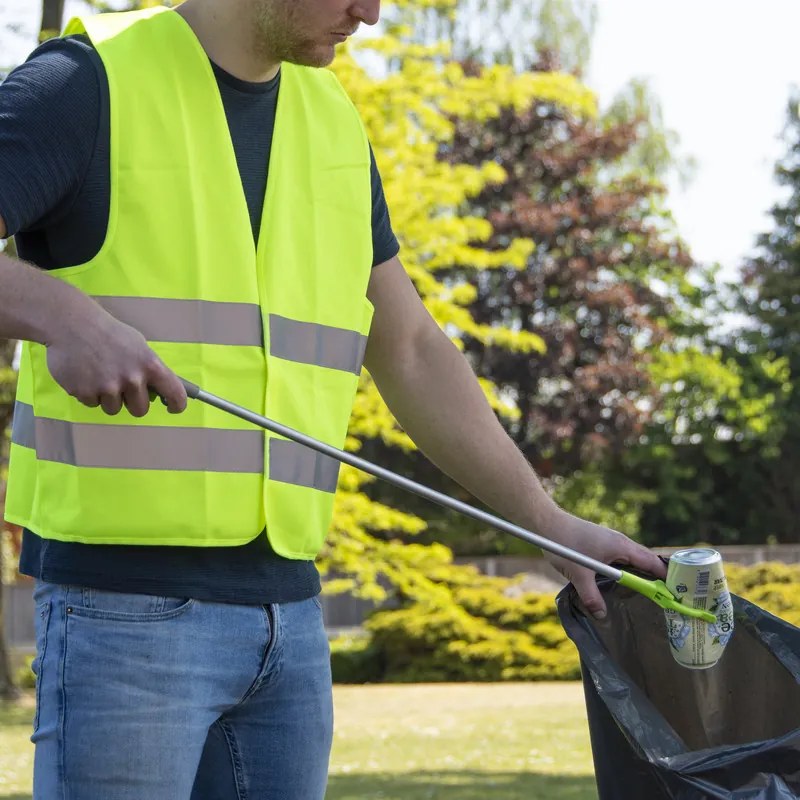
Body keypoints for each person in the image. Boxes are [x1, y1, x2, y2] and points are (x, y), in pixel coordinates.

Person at [0, 1, 666, 797]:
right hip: (121, 616)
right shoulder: (84, 83)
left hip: (291, 621)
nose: (371, 13)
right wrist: (62, 315)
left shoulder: (333, 122)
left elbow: (409, 348)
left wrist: (548, 523)